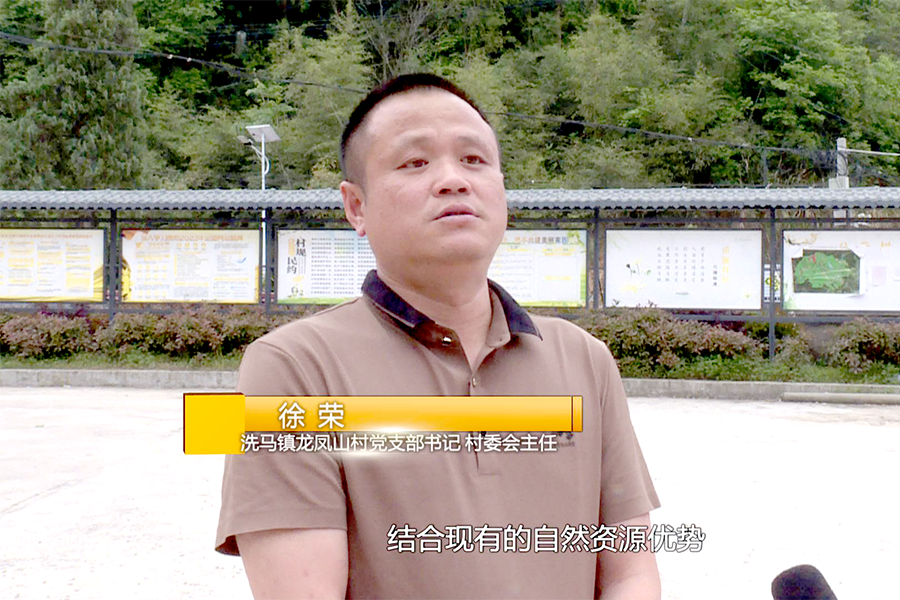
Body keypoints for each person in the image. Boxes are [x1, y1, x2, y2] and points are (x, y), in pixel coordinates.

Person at [216, 73, 661, 599]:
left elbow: (631, 573)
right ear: (356, 207)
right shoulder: (291, 368)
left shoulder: (584, 359)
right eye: (415, 162)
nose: (453, 180)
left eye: (474, 159)